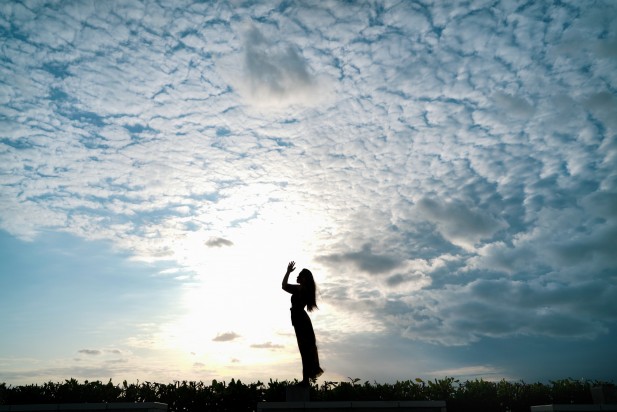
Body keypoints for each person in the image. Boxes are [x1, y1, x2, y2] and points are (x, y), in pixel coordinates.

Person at [282, 261, 324, 386]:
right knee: (305, 350)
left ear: (304, 278)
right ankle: (306, 379)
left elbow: (284, 285)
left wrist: (288, 272)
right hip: (301, 320)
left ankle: (305, 380)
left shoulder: (300, 288)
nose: (297, 276)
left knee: (304, 350)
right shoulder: (305, 289)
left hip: (301, 320)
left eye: (299, 275)